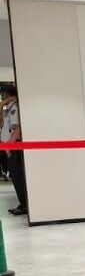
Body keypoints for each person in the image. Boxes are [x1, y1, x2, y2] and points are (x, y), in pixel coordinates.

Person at [1, 86, 26, 215]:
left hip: (14, 147)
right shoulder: (9, 109)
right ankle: (23, 203)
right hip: (10, 147)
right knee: (16, 177)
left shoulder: (14, 108)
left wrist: (9, 148)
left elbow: (17, 130)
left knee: (18, 177)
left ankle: (25, 205)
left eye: (3, 95)